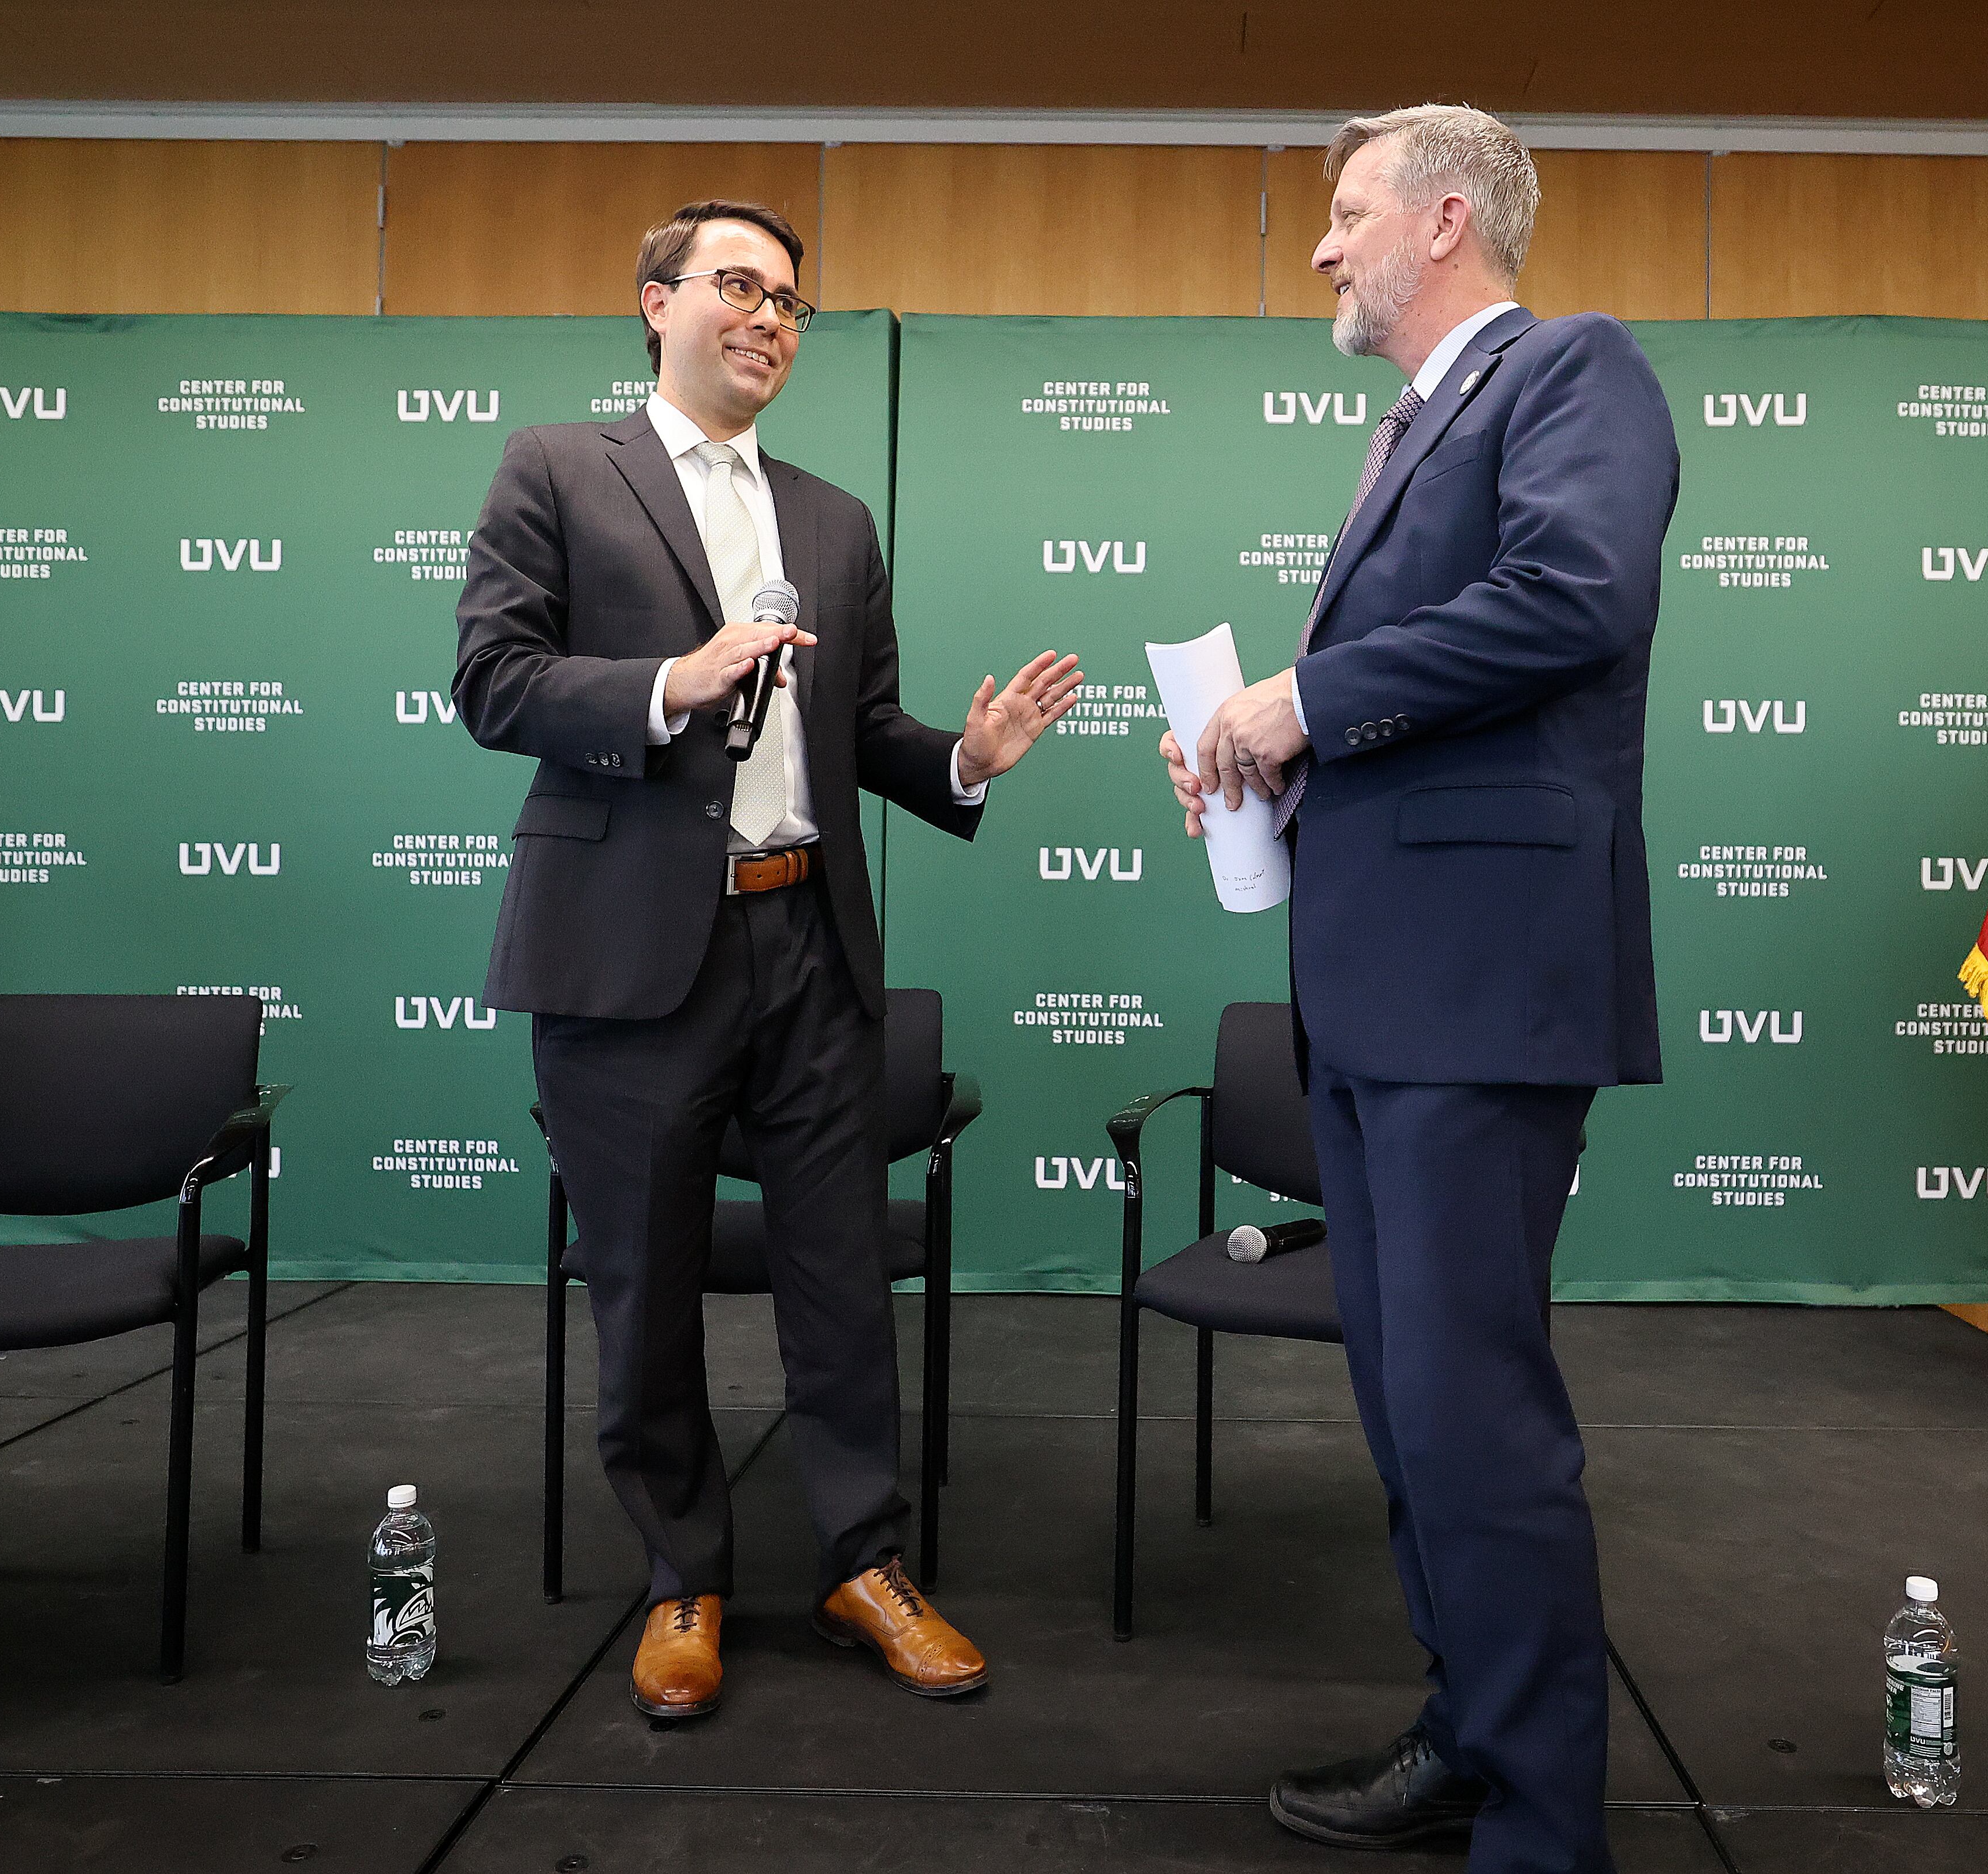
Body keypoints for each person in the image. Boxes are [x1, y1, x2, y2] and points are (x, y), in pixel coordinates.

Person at [455, 198, 1079, 1720]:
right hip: (627, 948)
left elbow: (858, 734)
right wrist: (676, 679)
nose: (769, 318)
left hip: (807, 936)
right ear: (656, 301)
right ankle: (684, 1578)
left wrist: (970, 759)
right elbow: (493, 677)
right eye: (738, 285)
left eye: (791, 300)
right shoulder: (557, 469)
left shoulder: (831, 519)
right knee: (648, 1280)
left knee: (839, 1274)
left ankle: (866, 1561)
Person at [1158, 110, 1679, 1872]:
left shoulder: (1568, 370)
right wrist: (1279, 762)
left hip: (1477, 996)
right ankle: (1470, 1735)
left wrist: (1303, 698)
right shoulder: (1412, 430)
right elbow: (1439, 709)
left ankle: (1546, 1830)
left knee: (1476, 1416)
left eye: (1345, 211)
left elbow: (1574, 596)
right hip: (1381, 996)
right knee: (1412, 1408)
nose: (1321, 248)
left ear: (1446, 218)